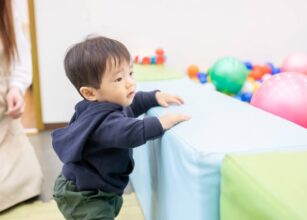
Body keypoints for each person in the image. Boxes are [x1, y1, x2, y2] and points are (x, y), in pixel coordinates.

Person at [52, 36, 190, 219]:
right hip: (85, 195)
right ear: (90, 93)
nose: (130, 82)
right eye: (119, 78)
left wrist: (154, 97)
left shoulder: (110, 103)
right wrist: (162, 123)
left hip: (98, 187)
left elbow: (132, 105)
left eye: (130, 73)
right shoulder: (102, 121)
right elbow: (129, 132)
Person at [0, 0, 43, 211]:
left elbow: (19, 54)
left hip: (2, 116)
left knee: (28, 179)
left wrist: (16, 88)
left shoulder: (8, 7)